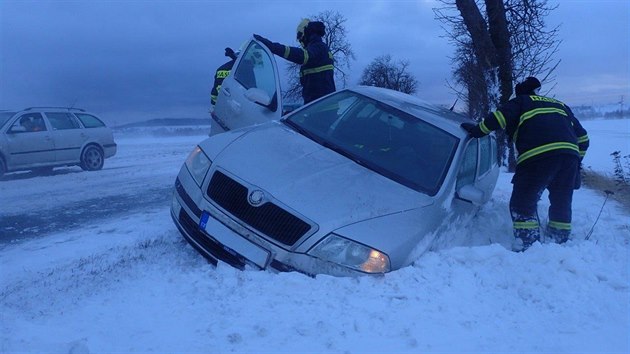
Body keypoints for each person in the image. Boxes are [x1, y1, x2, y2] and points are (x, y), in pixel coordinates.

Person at [461, 77, 590, 251]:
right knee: (561, 201)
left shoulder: (521, 101)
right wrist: (576, 164)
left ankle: (527, 245)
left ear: (521, 92)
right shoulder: (560, 106)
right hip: (569, 157)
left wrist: (477, 131)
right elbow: (583, 138)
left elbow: (498, 118)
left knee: (523, 202)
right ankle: (560, 241)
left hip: (536, 157)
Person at [254, 19, 336, 104]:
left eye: (300, 35)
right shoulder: (321, 48)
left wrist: (273, 47)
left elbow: (302, 56)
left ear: (306, 33)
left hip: (321, 108)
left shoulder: (318, 48)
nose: (300, 40)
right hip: (320, 106)